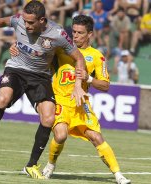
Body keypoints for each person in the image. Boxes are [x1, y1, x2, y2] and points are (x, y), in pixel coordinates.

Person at [0, 0, 87, 179]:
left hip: (40, 77)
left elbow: (79, 58)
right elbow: (4, 21)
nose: (25, 25)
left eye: (30, 23)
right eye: (24, 22)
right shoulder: (19, 20)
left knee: (49, 117)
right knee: (3, 99)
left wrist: (78, 85)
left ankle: (31, 165)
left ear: (42, 20)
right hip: (16, 69)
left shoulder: (58, 34)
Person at [38, 15, 130, 184]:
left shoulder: (97, 57)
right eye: (73, 32)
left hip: (81, 104)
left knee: (97, 137)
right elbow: (41, 55)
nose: (75, 36)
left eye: (80, 33)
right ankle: (50, 165)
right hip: (60, 100)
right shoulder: (60, 49)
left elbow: (105, 85)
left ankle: (118, 175)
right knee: (60, 135)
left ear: (90, 34)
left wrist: (88, 79)